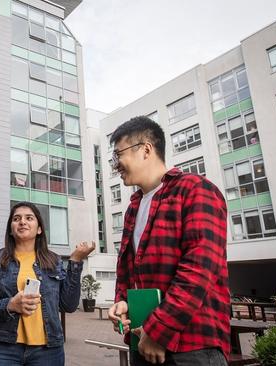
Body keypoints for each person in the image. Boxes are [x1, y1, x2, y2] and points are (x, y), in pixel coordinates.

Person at [107, 116, 230, 365]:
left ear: (146, 149)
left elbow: (198, 272)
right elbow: (128, 271)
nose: (115, 165)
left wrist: (158, 331)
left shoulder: (195, 190)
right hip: (143, 341)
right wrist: (122, 301)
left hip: (192, 348)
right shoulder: (133, 208)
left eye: (118, 155)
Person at [0, 201, 95, 366]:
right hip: (3, 348)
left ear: (39, 229)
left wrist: (75, 261)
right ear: (10, 229)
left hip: (48, 350)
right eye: (16, 219)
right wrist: (9, 305)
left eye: (29, 218)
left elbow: (69, 305)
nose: (22, 221)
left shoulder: (54, 261)